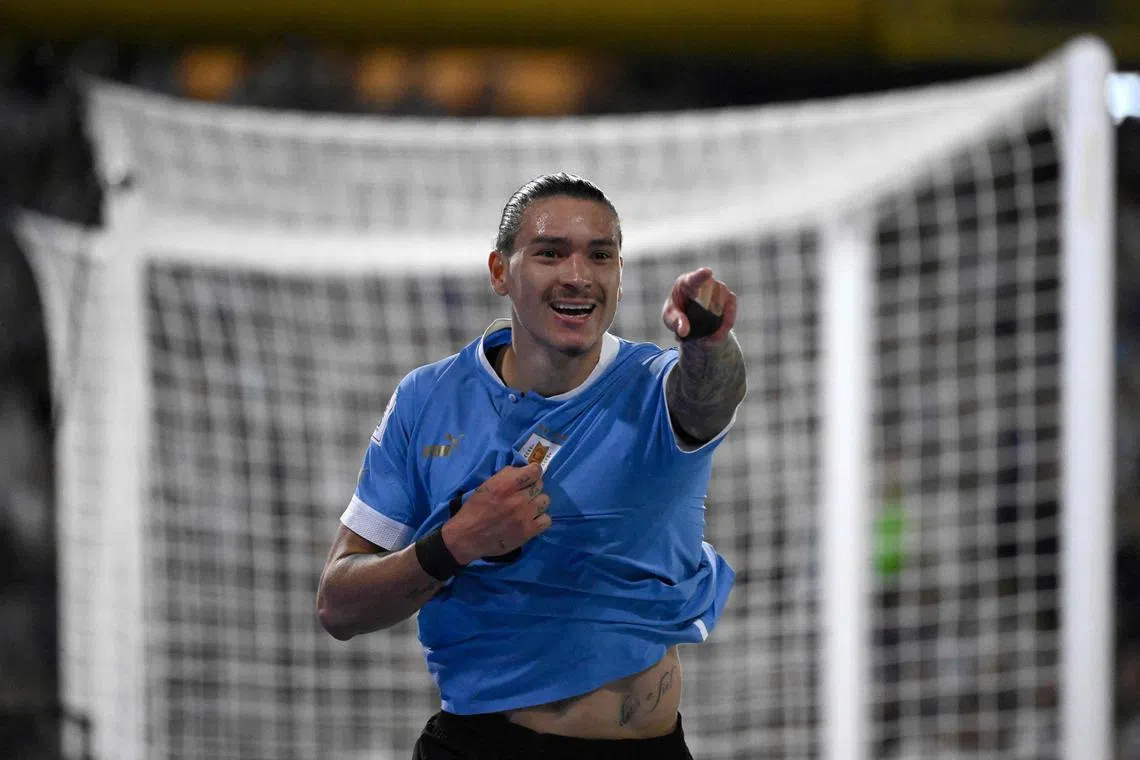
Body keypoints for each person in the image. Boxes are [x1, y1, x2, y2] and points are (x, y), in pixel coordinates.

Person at [317, 172, 747, 759]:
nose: (578, 274)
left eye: (600, 255)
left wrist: (706, 341)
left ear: (619, 277)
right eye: (550, 253)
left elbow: (710, 396)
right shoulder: (425, 398)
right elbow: (338, 605)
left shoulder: (655, 388)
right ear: (500, 271)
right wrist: (455, 543)